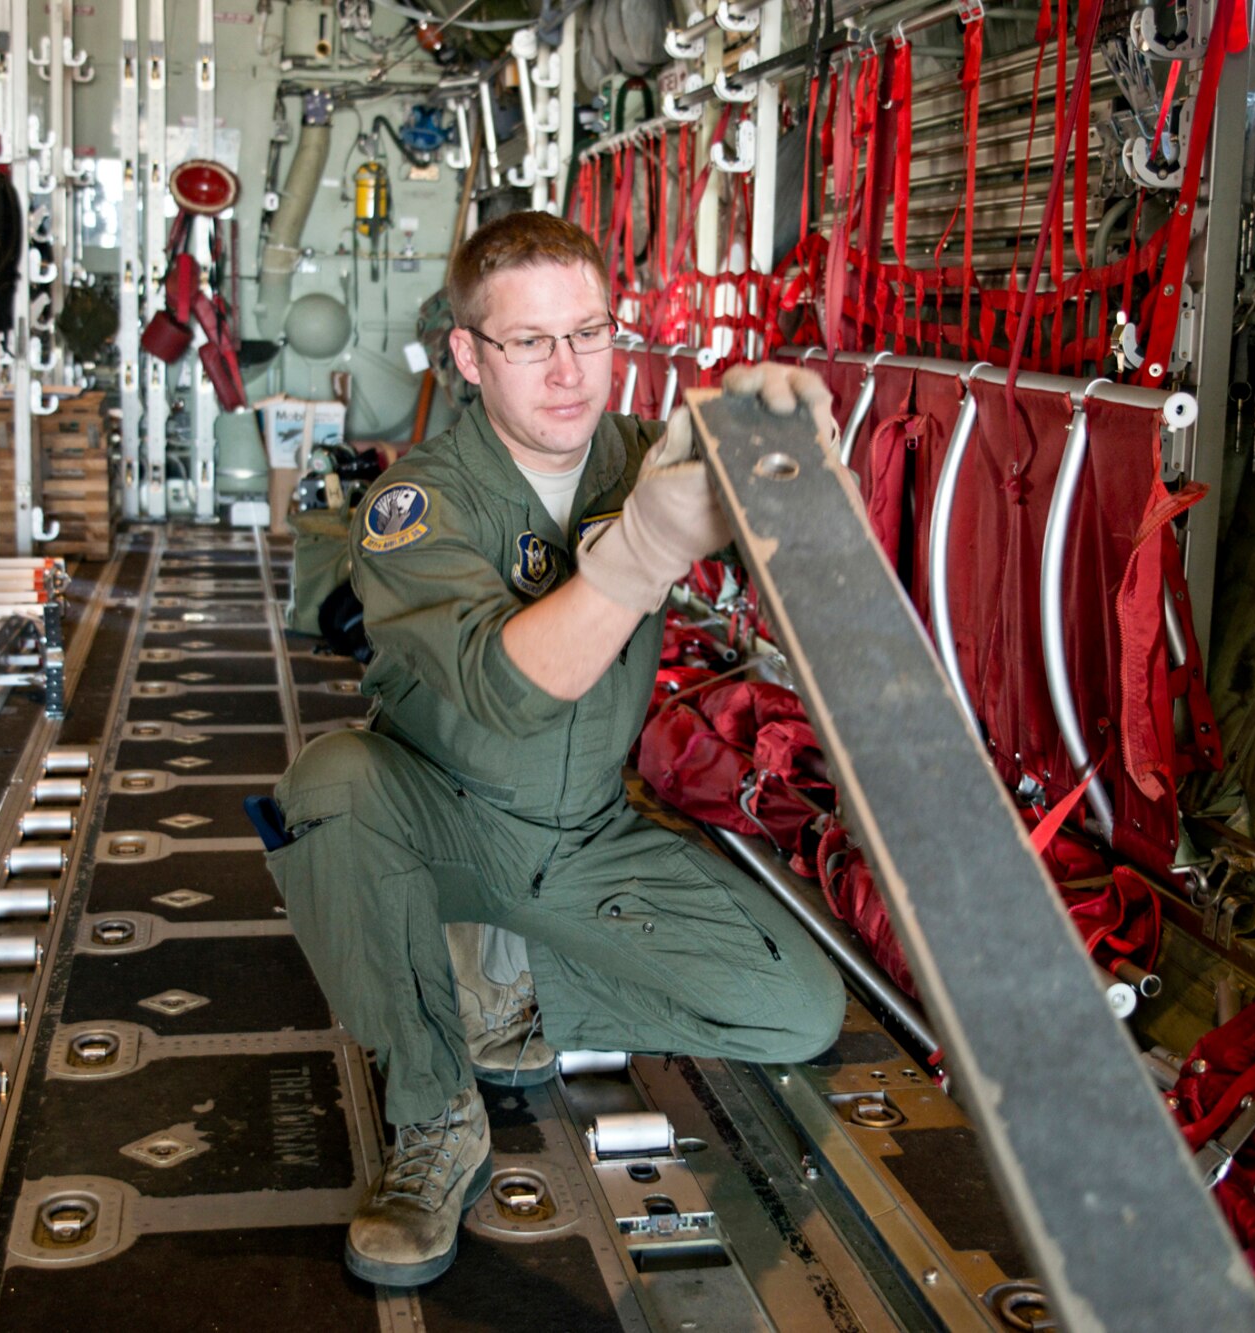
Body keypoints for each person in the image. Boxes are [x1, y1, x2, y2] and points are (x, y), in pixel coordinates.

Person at [265, 211, 845, 1287]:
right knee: (326, 789)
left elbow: (779, 552)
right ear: (467, 356)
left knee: (797, 1012)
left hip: (582, 835)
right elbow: (502, 688)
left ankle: (508, 995)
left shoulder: (640, 458)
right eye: (528, 342)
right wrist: (647, 549)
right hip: (437, 824)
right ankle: (435, 1120)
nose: (568, 369)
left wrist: (789, 462)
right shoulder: (415, 506)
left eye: (589, 331)